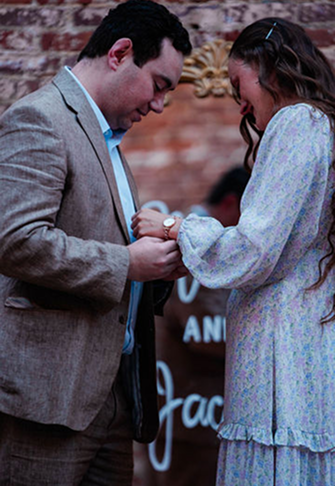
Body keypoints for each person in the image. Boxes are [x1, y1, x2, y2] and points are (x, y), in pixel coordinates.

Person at [131, 17, 335, 485]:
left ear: (268, 69)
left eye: (239, 84)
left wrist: (172, 226)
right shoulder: (319, 127)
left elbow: (254, 248)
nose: (240, 103)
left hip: (281, 343)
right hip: (301, 335)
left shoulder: (296, 122)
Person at [0, 1, 191, 484]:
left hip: (113, 399)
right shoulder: (40, 119)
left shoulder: (107, 138)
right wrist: (126, 263)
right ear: (120, 53)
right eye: (159, 84)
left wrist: (161, 266)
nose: (159, 104)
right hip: (47, 400)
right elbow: (15, 240)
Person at [137, 167, 250, 486]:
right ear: (230, 203)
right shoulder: (185, 240)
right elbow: (205, 328)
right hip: (188, 410)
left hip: (201, 408)